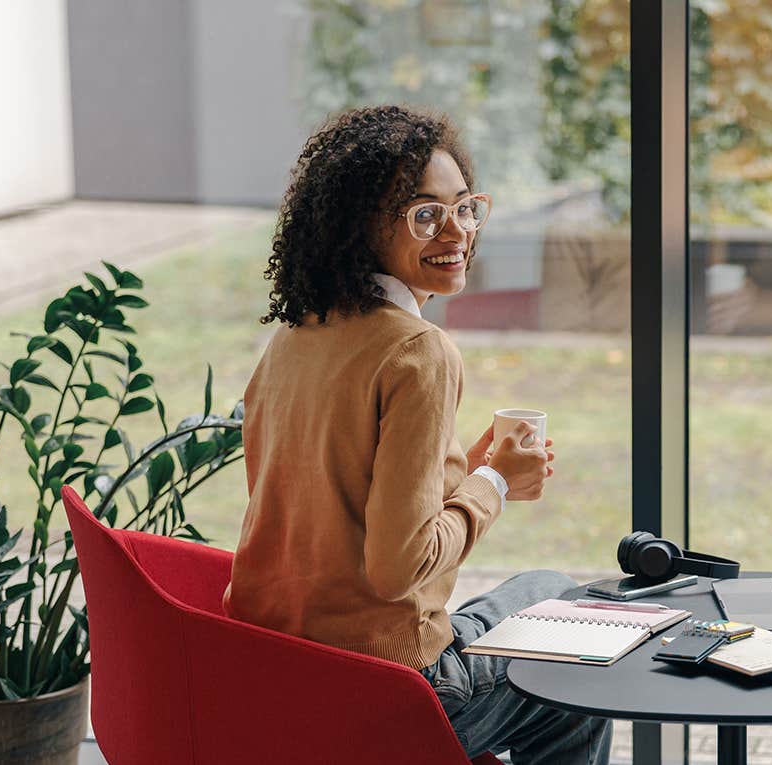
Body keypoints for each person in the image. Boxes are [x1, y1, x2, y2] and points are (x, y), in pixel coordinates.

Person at [223, 105, 612, 765]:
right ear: (359, 230)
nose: (456, 230)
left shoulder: (293, 335)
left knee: (547, 585)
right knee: (575, 658)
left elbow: (334, 506)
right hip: (385, 692)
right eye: (425, 213)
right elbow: (396, 565)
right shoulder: (418, 352)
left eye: (465, 207)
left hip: (280, 676)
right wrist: (494, 484)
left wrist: (465, 470)